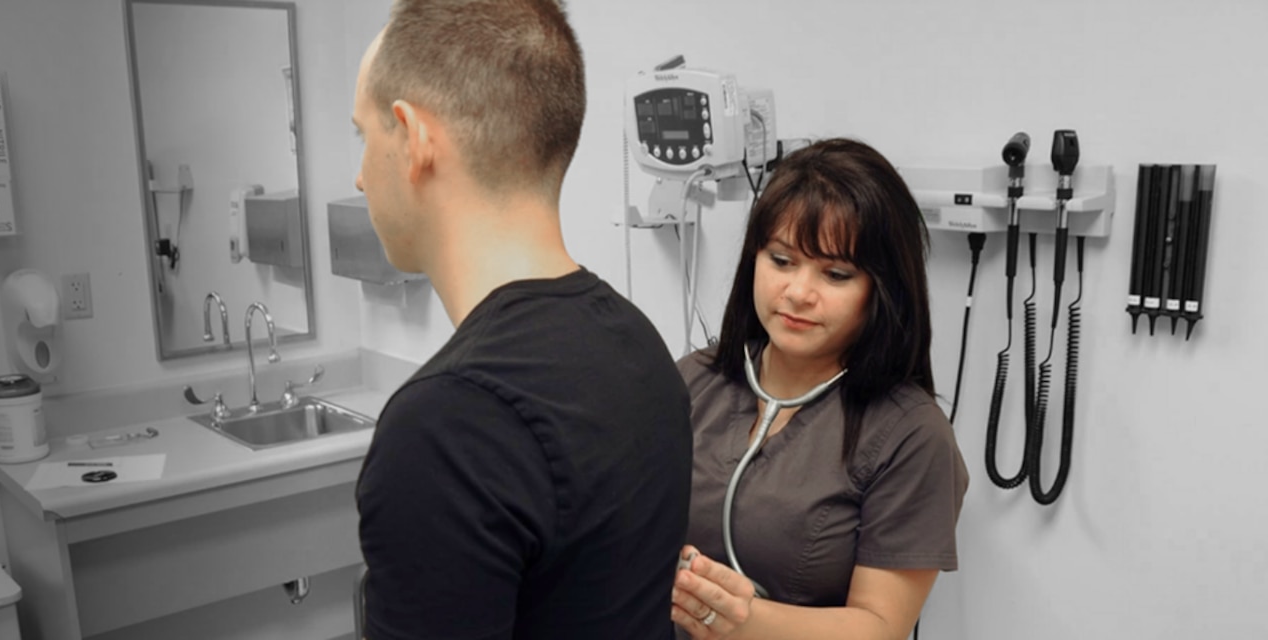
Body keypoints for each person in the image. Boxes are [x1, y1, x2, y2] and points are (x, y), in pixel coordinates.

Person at [350, 1, 693, 638]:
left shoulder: (447, 428)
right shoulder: (638, 344)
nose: (360, 176)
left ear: (413, 137)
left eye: (362, 136)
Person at [668, 139, 970, 639]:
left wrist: (745, 621)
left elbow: (880, 627)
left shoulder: (911, 436)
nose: (799, 293)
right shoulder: (694, 380)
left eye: (835, 273)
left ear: (882, 290)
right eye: (781, 260)